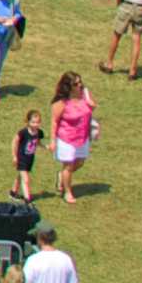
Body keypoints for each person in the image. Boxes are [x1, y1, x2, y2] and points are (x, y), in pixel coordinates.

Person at [48, 71, 96, 203]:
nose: (79, 85)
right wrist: (53, 141)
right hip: (66, 139)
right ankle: (68, 192)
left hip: (82, 136)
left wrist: (92, 105)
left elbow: (89, 109)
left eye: (80, 82)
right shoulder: (62, 102)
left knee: (80, 162)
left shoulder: (84, 93)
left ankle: (61, 176)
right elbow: (54, 121)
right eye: (76, 83)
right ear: (68, 86)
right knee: (68, 166)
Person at [11, 109, 43, 203]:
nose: (35, 124)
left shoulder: (39, 133)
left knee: (20, 176)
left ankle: (13, 193)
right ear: (28, 122)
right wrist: (14, 156)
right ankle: (27, 200)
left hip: (30, 158)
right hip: (22, 158)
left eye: (37, 122)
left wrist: (46, 146)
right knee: (25, 179)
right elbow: (14, 142)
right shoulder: (23, 132)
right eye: (33, 122)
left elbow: (38, 143)